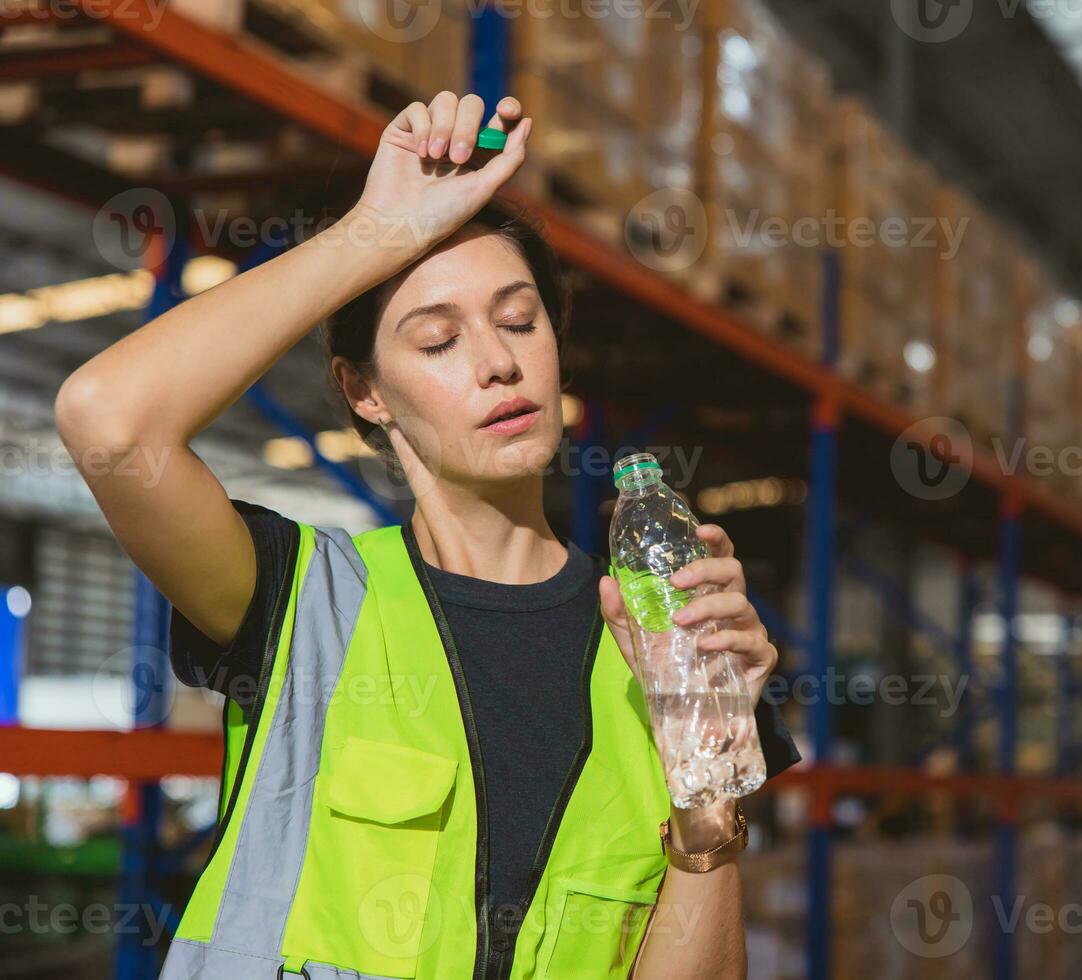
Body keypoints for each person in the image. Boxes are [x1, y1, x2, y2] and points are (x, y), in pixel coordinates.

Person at [56, 92, 799, 979]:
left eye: (522, 321)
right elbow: (109, 424)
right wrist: (378, 229)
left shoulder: (661, 643)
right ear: (364, 390)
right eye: (439, 339)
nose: (498, 361)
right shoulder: (298, 600)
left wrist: (703, 773)